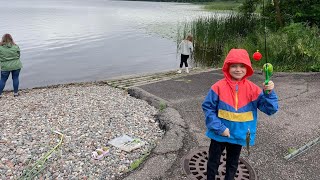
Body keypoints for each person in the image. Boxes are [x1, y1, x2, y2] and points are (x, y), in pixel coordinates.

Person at [202, 49, 278, 180]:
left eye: (242, 66)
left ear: (247, 68)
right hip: (218, 134)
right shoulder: (217, 87)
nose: (238, 69)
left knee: (233, 163)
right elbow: (208, 108)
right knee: (213, 162)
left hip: (239, 135)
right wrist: (219, 128)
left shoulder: (253, 89)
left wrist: (269, 93)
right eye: (234, 66)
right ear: (227, 67)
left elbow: (270, 109)